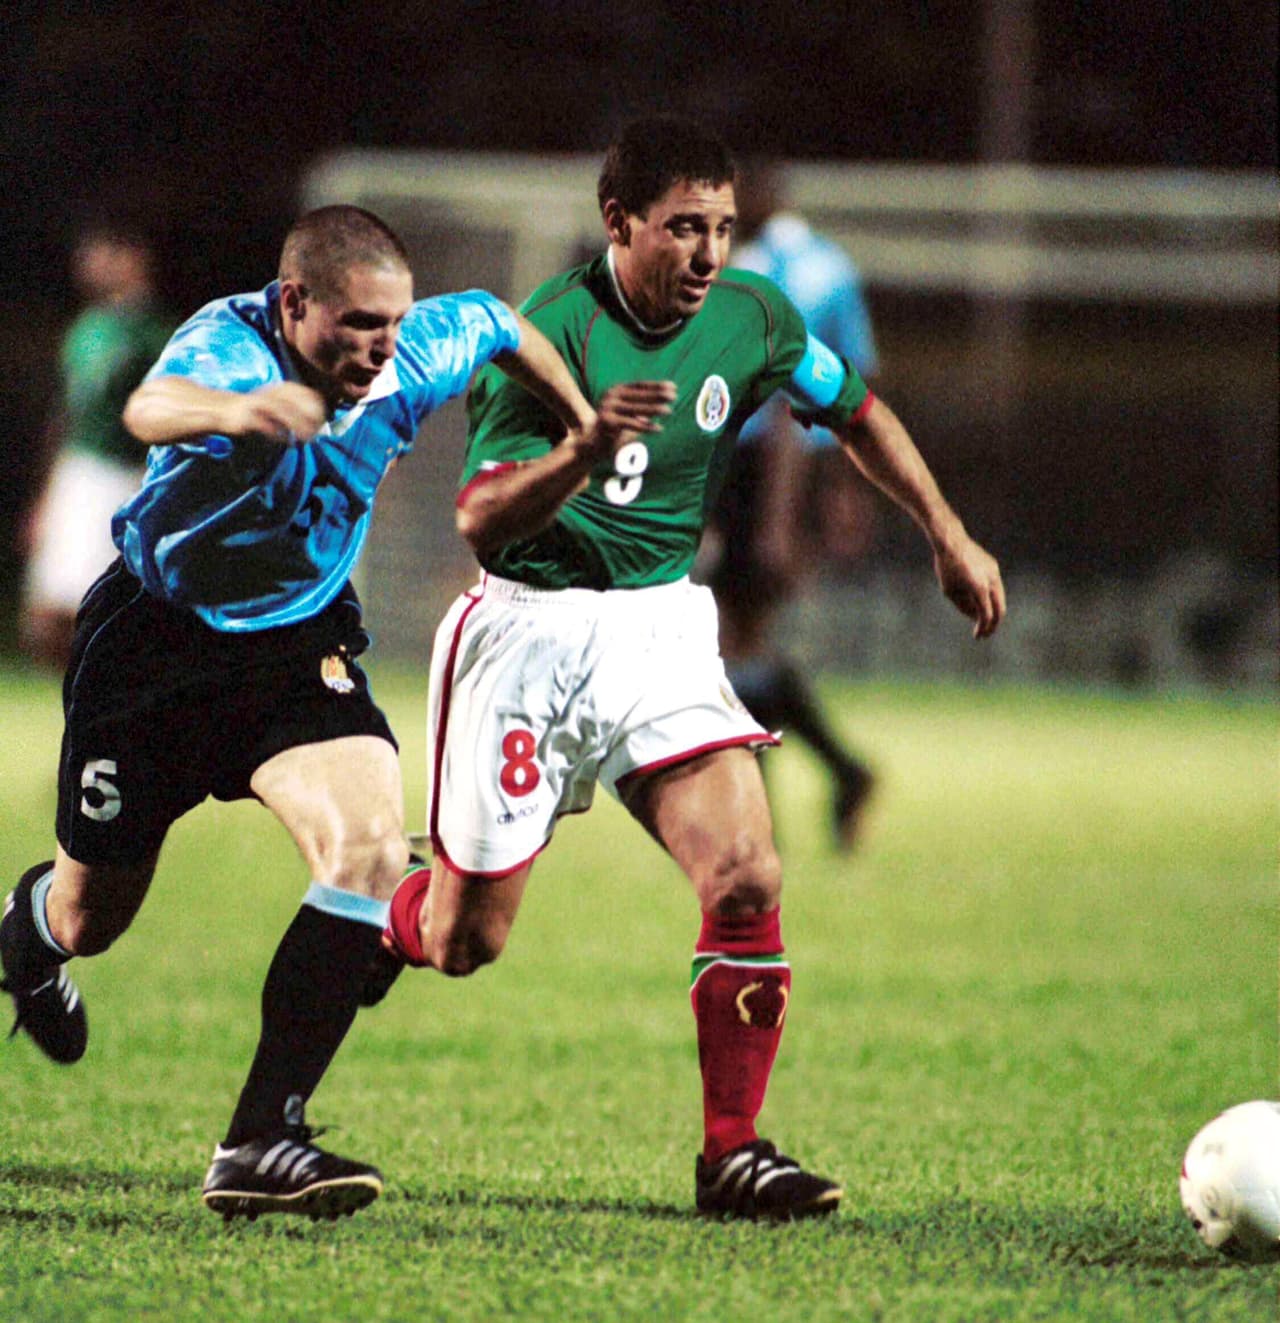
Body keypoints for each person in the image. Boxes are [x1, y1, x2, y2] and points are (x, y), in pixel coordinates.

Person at [372, 118, 1005, 1221]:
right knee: (459, 943)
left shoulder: (752, 315)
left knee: (749, 875)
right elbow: (478, 520)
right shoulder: (549, 333)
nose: (709, 254)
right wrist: (578, 451)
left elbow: (853, 410)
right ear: (620, 223)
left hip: (660, 630)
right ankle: (370, 901)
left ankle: (731, 1154)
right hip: (527, 634)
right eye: (683, 229)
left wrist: (947, 534)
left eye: (719, 227)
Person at [0, 204, 614, 1223]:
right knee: (91, 915)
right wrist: (235, 416)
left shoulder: (414, 350)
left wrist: (580, 420)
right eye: (355, 325)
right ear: (293, 304)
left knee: (371, 851)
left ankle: (259, 1139)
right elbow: (153, 407)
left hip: (295, 642)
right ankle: (32, 933)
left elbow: (501, 321)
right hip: (156, 645)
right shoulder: (229, 348)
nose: (378, 348)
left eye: (392, 323)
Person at [706, 160, 880, 849]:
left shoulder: (750, 268)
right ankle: (838, 773)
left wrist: (770, 519)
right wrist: (843, 488)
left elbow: (774, 395)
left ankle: (760, 816)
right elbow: (856, 379)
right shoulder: (834, 266)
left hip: (759, 472)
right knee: (746, 642)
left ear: (757, 196)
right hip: (805, 466)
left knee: (731, 644)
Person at [19, 222, 174, 667]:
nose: (90, 264)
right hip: (77, 472)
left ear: (133, 258)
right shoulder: (85, 329)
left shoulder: (155, 333)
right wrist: (45, 497)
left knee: (103, 605)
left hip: (122, 475)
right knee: (45, 611)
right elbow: (65, 415)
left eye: (102, 252)